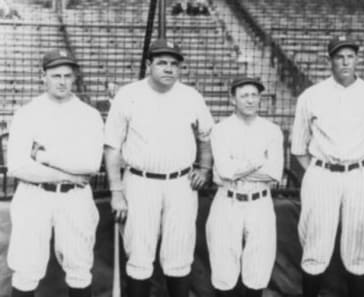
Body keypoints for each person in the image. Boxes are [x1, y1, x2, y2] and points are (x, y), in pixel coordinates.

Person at [104, 39, 214, 297]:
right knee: (140, 254)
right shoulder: (129, 95)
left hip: (181, 183)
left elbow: (206, 136)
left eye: (174, 64)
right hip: (140, 182)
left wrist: (205, 168)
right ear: (148, 64)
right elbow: (112, 146)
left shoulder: (191, 96)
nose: (168, 69)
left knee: (179, 254)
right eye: (162, 62)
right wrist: (116, 191)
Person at [291, 35, 364, 297]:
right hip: (322, 173)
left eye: (350, 56)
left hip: (360, 174)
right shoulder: (311, 95)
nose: (345, 61)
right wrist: (316, 170)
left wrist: (363, 166)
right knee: (315, 247)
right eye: (339, 56)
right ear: (330, 60)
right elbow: (298, 146)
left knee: (359, 249)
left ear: (357, 58)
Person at [7, 49, 104, 297]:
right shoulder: (27, 113)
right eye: (56, 75)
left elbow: (90, 164)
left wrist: (43, 156)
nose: (62, 81)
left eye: (67, 76)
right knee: (26, 268)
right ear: (43, 76)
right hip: (34, 195)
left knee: (79, 267)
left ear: (74, 78)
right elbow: (17, 166)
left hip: (75, 197)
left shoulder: (89, 115)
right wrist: (68, 174)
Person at [206, 77, 283, 297]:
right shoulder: (221, 129)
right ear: (233, 100)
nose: (250, 100)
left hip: (259, 201)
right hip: (228, 199)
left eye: (254, 95)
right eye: (244, 95)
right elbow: (224, 171)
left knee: (258, 266)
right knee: (223, 266)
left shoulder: (272, 130)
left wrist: (238, 167)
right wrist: (257, 162)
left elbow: (274, 172)